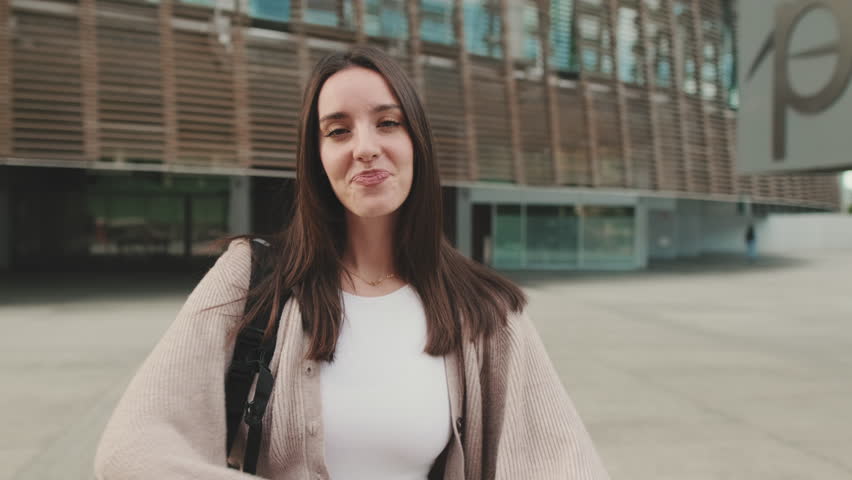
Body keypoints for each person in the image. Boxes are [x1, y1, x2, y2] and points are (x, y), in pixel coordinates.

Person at [94, 46, 610, 480]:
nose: (365, 148)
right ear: (316, 156)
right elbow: (131, 450)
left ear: (417, 144)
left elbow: (564, 463)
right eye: (338, 131)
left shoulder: (485, 311)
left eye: (388, 123)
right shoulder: (252, 277)